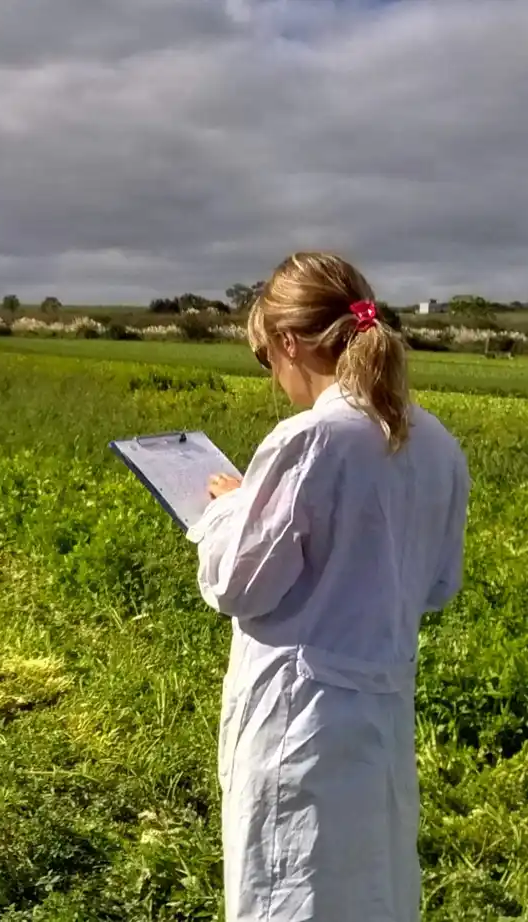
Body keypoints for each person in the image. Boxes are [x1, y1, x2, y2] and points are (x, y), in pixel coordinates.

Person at [189, 252, 470, 921]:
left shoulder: (314, 437)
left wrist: (231, 507)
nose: (273, 376)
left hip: (300, 719)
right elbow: (437, 583)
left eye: (265, 358)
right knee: (368, 888)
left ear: (288, 342)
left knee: (291, 889)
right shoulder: (435, 443)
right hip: (380, 715)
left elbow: (237, 583)